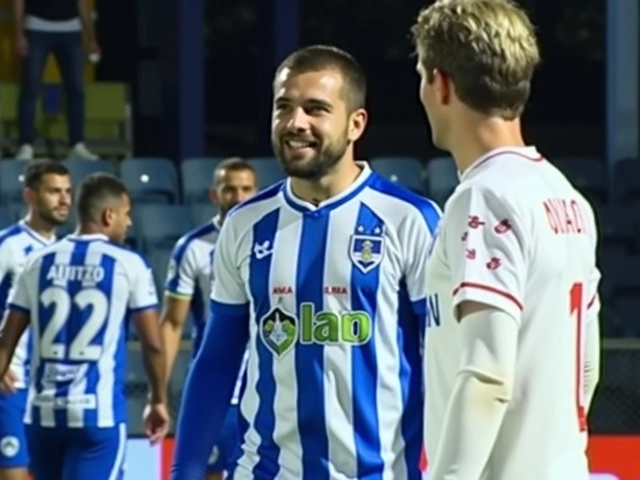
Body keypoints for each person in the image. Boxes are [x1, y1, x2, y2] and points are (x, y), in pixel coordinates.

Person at [170, 45, 441, 480]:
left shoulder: (410, 220)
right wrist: (184, 471)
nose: (295, 123)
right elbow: (217, 359)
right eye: (284, 107)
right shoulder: (244, 225)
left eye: (315, 109)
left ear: (356, 124)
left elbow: (444, 359)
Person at [411, 1, 601, 479]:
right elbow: (588, 370)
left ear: (442, 83)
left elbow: (488, 374)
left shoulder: (483, 197)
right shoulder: (567, 196)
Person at [0, 173, 170, 480]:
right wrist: (157, 399)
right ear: (109, 215)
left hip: (41, 416)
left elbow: (4, 344)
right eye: (126, 214)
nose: (129, 223)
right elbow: (155, 344)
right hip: (97, 417)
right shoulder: (128, 263)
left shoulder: (36, 262)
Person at [161, 157, 258, 480]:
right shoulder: (192, 248)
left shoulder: (277, 240)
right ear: (214, 195)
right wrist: (158, 390)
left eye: (246, 189)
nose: (239, 197)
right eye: (230, 189)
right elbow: (173, 323)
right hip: (217, 392)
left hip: (262, 388)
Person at [0, 160, 71, 480]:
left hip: (55, 391)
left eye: (68, 191)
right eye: (54, 191)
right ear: (30, 196)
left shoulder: (69, 250)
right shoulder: (8, 245)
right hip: (12, 386)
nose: (64, 199)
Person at [12, 0, 100, 160]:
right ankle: (26, 145)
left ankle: (77, 144)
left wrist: (91, 37)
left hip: (71, 30)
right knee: (30, 89)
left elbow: (81, 3)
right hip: (36, 27)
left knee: (76, 90)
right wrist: (19, 34)